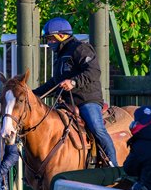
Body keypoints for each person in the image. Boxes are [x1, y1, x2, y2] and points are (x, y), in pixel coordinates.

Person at [33, 17, 118, 166]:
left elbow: (94, 71)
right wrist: (34, 94)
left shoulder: (81, 48)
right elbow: (55, 82)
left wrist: (73, 82)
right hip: (67, 103)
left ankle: (114, 165)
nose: (49, 43)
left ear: (61, 35)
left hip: (87, 100)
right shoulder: (60, 56)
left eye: (51, 39)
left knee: (97, 129)